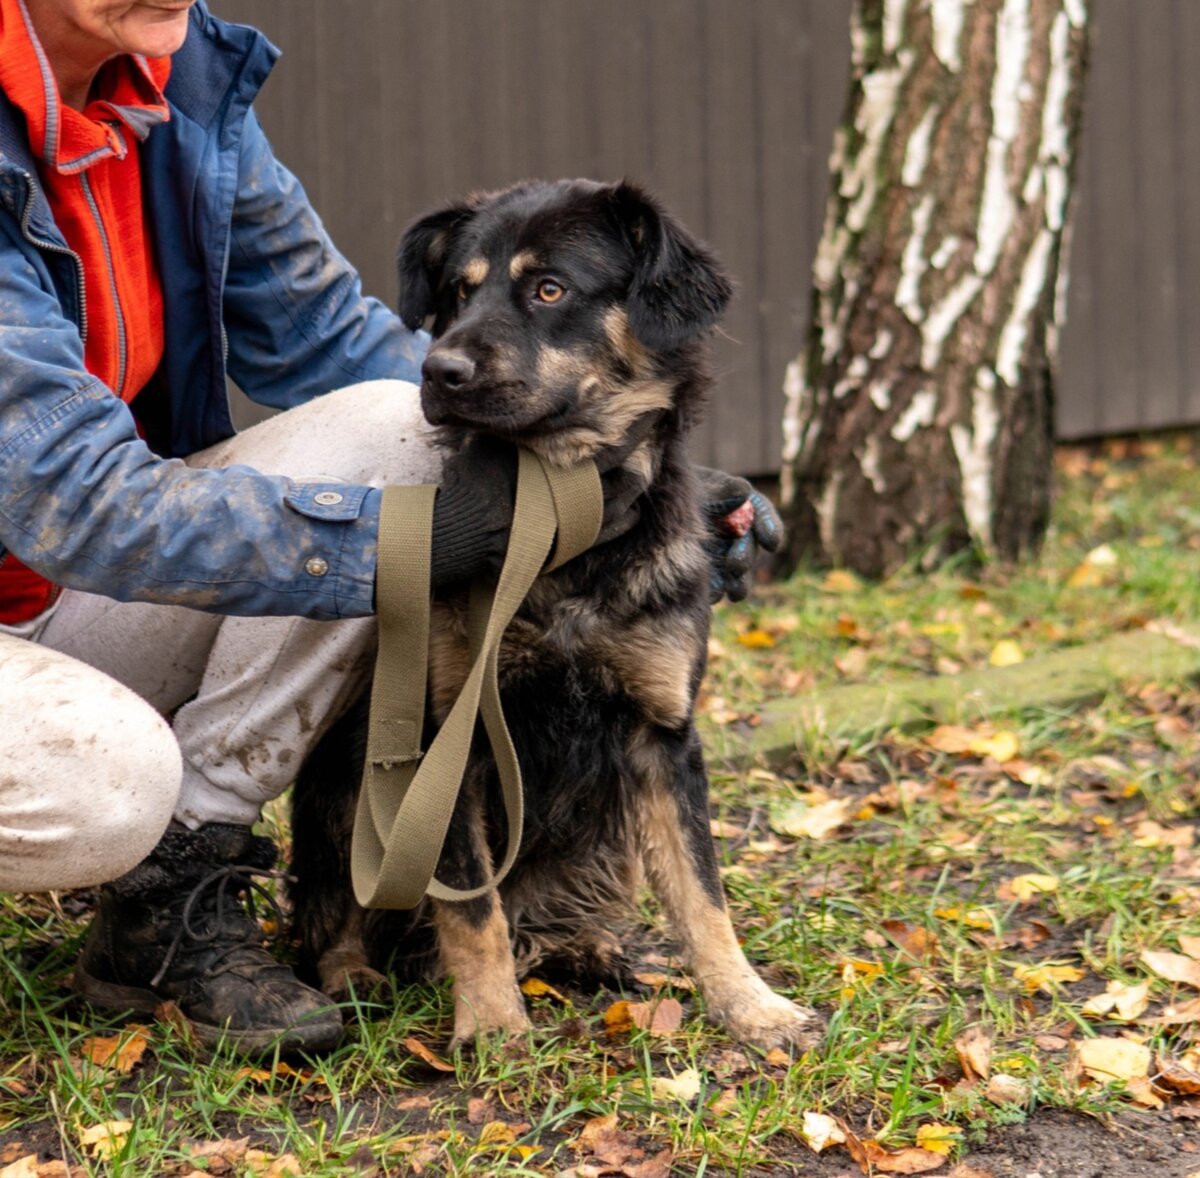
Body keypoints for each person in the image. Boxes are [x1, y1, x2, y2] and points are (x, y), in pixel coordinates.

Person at [0, 0, 783, 1054]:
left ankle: (173, 890)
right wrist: (410, 543)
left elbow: (351, 353)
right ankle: (155, 833)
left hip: (65, 607)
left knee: (393, 430)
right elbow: (76, 496)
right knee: (106, 781)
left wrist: (620, 467)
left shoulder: (177, 91)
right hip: (51, 567)